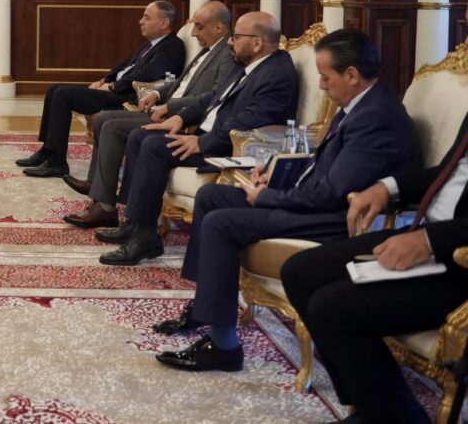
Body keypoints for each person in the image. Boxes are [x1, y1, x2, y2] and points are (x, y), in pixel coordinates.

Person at [153, 28, 417, 373]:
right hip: (322, 204)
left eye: (326, 77)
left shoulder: (376, 118)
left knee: (221, 222)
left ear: (351, 74)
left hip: (336, 220)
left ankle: (223, 346)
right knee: (212, 195)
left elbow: (331, 194)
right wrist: (276, 172)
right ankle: (206, 305)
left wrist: (269, 196)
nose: (321, 86)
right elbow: (324, 166)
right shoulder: (359, 104)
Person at [282, 111, 468, 424]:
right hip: (433, 234)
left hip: (460, 262)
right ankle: (368, 407)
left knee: (331, 308)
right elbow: (449, 175)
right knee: (299, 273)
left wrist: (430, 241)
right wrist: (386, 188)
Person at [97, 11, 297, 265]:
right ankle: (134, 223)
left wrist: (202, 142)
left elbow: (248, 120)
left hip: (230, 148)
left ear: (257, 43)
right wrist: (180, 119)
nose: (229, 41)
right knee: (140, 136)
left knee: (154, 146)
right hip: (209, 136)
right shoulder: (248, 64)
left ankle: (145, 238)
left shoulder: (277, 74)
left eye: (236, 36)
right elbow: (211, 98)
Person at [64, 1, 235, 227]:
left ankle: (106, 207)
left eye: (199, 27)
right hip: (166, 107)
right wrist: (156, 93)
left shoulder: (227, 54)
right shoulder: (209, 48)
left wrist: (171, 108)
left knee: (112, 125)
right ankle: (98, 189)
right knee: (104, 118)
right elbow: (181, 82)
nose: (193, 33)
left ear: (219, 27)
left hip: (182, 118)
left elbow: (214, 96)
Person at [18, 0, 186, 179]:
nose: (140, 21)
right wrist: (104, 80)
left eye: (146, 18)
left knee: (63, 95)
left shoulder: (172, 47)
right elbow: (125, 65)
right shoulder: (152, 43)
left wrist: (113, 86)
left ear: (164, 23)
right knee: (54, 89)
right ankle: (47, 151)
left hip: (129, 97)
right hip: (116, 90)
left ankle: (56, 163)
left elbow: (147, 74)